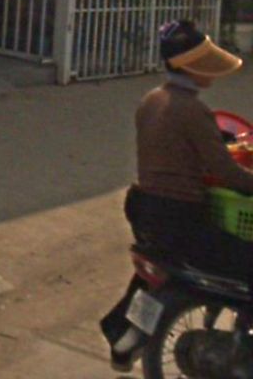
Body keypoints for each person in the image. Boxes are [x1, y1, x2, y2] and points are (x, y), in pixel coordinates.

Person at [100, 19, 253, 372]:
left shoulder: (151, 101)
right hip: (180, 218)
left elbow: (173, 153)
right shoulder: (193, 110)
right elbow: (227, 172)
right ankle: (241, 349)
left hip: (144, 210)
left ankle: (128, 337)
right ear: (192, 67)